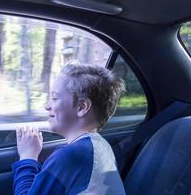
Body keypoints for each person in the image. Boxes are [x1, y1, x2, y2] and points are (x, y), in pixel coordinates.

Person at [12, 63, 126, 195]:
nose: (47, 106)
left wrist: (28, 156)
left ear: (82, 107)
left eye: (54, 98)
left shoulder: (73, 155)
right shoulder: (101, 146)